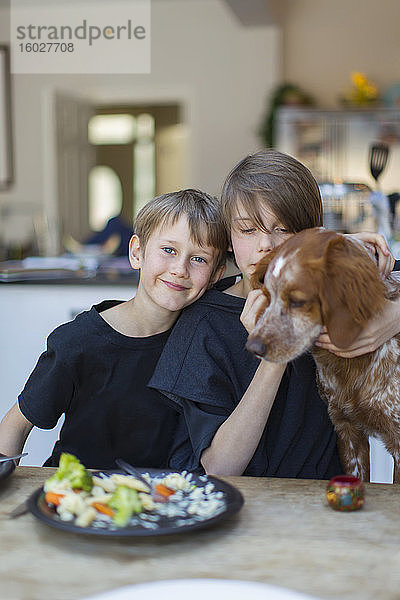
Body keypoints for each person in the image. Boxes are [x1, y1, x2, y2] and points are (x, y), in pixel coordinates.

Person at [149, 149, 398, 479]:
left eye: (283, 229)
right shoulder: (204, 324)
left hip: (328, 507)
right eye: (247, 230)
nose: (266, 245)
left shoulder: (333, 288)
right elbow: (218, 468)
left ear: (312, 231)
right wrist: (273, 347)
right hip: (244, 509)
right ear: (228, 238)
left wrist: (392, 314)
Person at [0, 189, 228, 469]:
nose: (180, 269)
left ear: (216, 274)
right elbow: (15, 426)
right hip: (76, 496)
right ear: (137, 253)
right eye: (168, 250)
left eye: (199, 259)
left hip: (160, 502)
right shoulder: (78, 341)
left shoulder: (204, 343)